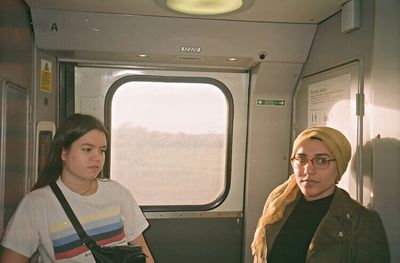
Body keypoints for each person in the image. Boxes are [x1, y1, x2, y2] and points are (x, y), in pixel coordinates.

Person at [1, 113, 155, 263]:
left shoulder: (118, 193)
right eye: (87, 149)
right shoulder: (37, 204)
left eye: (102, 150)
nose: (97, 157)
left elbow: (142, 252)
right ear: (63, 153)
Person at [251, 126, 390, 263]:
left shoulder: (363, 221)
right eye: (302, 159)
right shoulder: (278, 204)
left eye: (322, 160)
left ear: (339, 166)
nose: (308, 170)